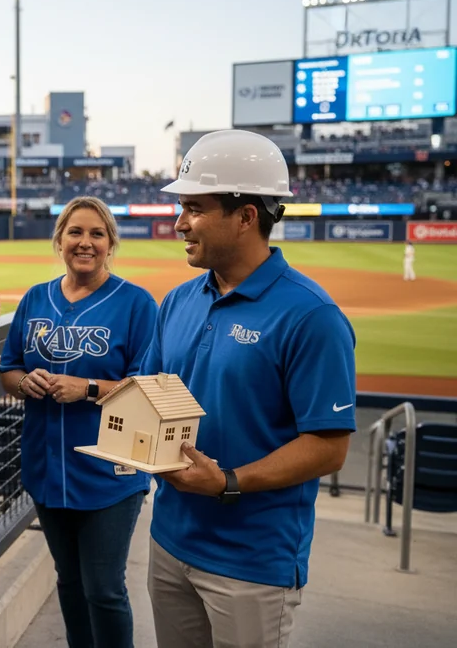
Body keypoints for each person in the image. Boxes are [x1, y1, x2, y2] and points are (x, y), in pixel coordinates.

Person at [140, 129, 356, 648]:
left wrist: (227, 481)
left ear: (245, 216)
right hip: (169, 540)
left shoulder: (312, 315)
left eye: (195, 208)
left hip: (252, 563)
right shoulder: (178, 301)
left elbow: (329, 447)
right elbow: (152, 395)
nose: (179, 222)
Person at [0, 196, 157, 648]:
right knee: (68, 580)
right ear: (60, 240)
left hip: (111, 471)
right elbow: (8, 370)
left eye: (96, 234)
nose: (85, 242)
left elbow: (148, 388)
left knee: (104, 589)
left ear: (110, 243)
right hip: (47, 466)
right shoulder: (36, 298)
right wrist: (25, 381)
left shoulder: (136, 303)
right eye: (75, 232)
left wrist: (87, 388)